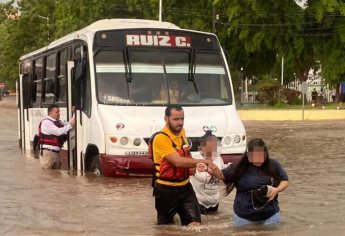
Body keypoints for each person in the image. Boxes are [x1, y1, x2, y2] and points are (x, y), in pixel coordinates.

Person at [197, 138, 289, 227]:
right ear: (248, 155)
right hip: (244, 218)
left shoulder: (273, 165)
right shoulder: (239, 167)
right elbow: (222, 175)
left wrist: (277, 189)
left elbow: (285, 180)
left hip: (270, 216)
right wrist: (208, 169)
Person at [152, 104, 212, 226]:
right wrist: (203, 161)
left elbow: (185, 154)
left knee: (196, 226)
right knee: (165, 229)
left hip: (185, 188)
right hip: (165, 191)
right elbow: (177, 161)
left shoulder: (182, 132)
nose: (180, 123)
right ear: (166, 119)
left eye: (182, 119)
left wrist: (192, 168)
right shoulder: (160, 139)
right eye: (176, 119)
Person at [190, 130, 230, 215]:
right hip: (198, 202)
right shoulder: (194, 158)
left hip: (214, 203)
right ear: (201, 146)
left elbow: (222, 176)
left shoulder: (219, 159)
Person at [38, 104, 75, 169]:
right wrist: (70, 126)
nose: (59, 114)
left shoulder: (57, 122)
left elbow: (70, 124)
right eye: (57, 112)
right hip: (48, 154)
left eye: (59, 112)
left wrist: (76, 113)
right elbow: (58, 132)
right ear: (50, 113)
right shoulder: (46, 122)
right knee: (48, 176)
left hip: (55, 154)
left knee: (56, 176)